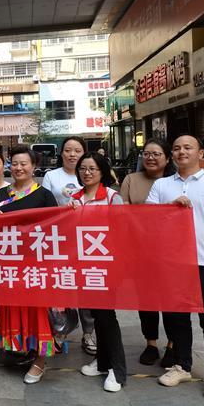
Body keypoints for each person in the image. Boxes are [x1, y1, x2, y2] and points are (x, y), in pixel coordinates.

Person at [147, 135, 204, 400]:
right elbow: (149, 219)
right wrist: (170, 206)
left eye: (188, 147)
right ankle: (182, 365)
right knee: (176, 318)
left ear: (200, 153)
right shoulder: (162, 185)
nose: (181, 152)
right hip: (172, 263)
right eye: (176, 148)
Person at [0, 145, 59, 384]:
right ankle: (24, 349)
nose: (19, 168)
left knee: (37, 312)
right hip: (9, 263)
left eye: (24, 163)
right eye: (15, 163)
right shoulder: (2, 194)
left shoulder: (44, 195)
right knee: (14, 308)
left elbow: (56, 228)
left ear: (34, 166)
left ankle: (40, 361)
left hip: (35, 263)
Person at [71, 152, 126, 393]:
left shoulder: (112, 197)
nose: (87, 173)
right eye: (83, 168)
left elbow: (122, 232)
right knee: (95, 314)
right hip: (82, 266)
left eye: (92, 168)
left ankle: (117, 370)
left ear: (102, 171)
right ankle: (103, 362)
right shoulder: (75, 198)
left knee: (106, 316)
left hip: (105, 266)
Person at [119, 139, 175, 367]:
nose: (150, 158)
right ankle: (151, 343)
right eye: (146, 153)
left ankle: (172, 345)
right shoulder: (131, 179)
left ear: (167, 158)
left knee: (172, 300)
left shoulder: (175, 181)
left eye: (156, 154)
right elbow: (122, 212)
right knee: (146, 299)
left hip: (171, 251)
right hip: (140, 250)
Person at [41, 136, 95, 355]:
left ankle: (88, 333)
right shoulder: (51, 176)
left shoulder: (90, 173)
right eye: (68, 150)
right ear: (61, 153)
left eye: (77, 150)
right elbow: (44, 206)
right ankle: (60, 330)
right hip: (59, 239)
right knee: (61, 284)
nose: (72, 154)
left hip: (87, 239)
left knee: (86, 286)